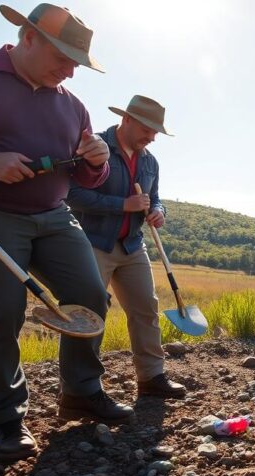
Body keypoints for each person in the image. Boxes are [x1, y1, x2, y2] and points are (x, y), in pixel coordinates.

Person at [0, 4, 135, 461]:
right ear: (28, 37)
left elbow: (86, 180)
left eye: (77, 63)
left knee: (91, 296)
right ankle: (3, 415)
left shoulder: (74, 107)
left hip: (54, 215)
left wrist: (98, 162)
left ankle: (80, 391)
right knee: (1, 310)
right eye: (64, 58)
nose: (71, 72)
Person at [67, 95, 186, 399]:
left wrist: (158, 211)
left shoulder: (149, 161)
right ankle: (83, 389)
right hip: (93, 242)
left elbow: (155, 196)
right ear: (128, 120)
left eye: (156, 131)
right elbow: (72, 193)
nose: (153, 137)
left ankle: (151, 377)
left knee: (146, 308)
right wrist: (123, 205)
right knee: (90, 313)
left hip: (133, 245)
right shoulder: (96, 147)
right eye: (148, 128)